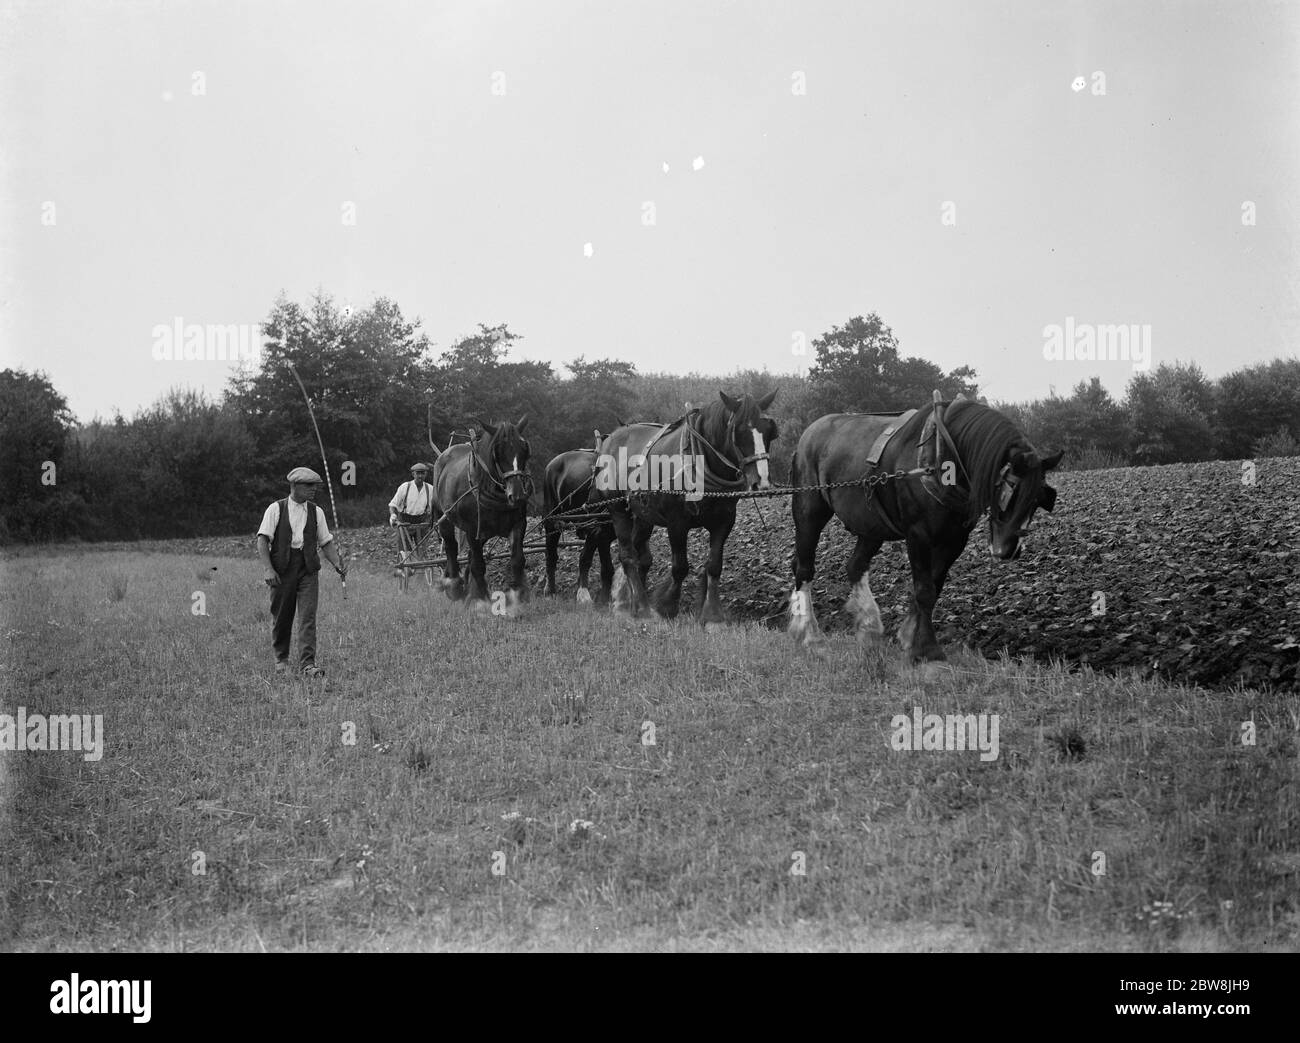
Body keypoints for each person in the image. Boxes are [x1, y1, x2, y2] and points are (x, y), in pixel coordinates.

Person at [256, 467, 347, 677]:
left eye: (315, 486)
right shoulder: (276, 509)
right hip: (282, 570)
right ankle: (281, 659)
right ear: (294, 486)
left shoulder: (317, 511)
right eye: (309, 485)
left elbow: (326, 542)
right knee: (282, 616)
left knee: (308, 617)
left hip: (308, 569)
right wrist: (268, 569)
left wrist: (337, 564)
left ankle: (308, 665)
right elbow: (262, 540)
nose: (313, 489)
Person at [389, 462, 436, 556]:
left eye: (423, 473)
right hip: (405, 521)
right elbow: (393, 505)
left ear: (426, 474)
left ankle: (421, 568)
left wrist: (434, 520)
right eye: (418, 473)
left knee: (422, 550)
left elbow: (435, 507)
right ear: (413, 474)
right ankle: (405, 568)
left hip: (422, 521)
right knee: (405, 550)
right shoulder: (405, 487)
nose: (420, 476)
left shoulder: (430, 489)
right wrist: (393, 515)